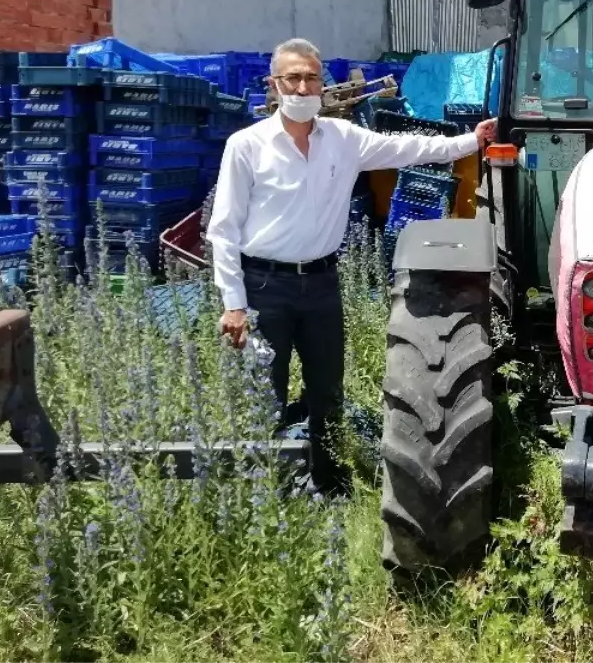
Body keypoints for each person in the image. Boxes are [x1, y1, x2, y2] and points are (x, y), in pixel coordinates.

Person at [205, 38, 495, 496]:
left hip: (321, 285)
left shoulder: (344, 140)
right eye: (292, 78)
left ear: (323, 84)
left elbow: (407, 149)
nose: (302, 88)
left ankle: (330, 482)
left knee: (327, 392)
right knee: (264, 394)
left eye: (311, 78)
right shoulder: (247, 146)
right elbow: (223, 230)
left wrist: (469, 141)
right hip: (265, 287)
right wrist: (234, 304)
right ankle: (263, 494)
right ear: (273, 85)